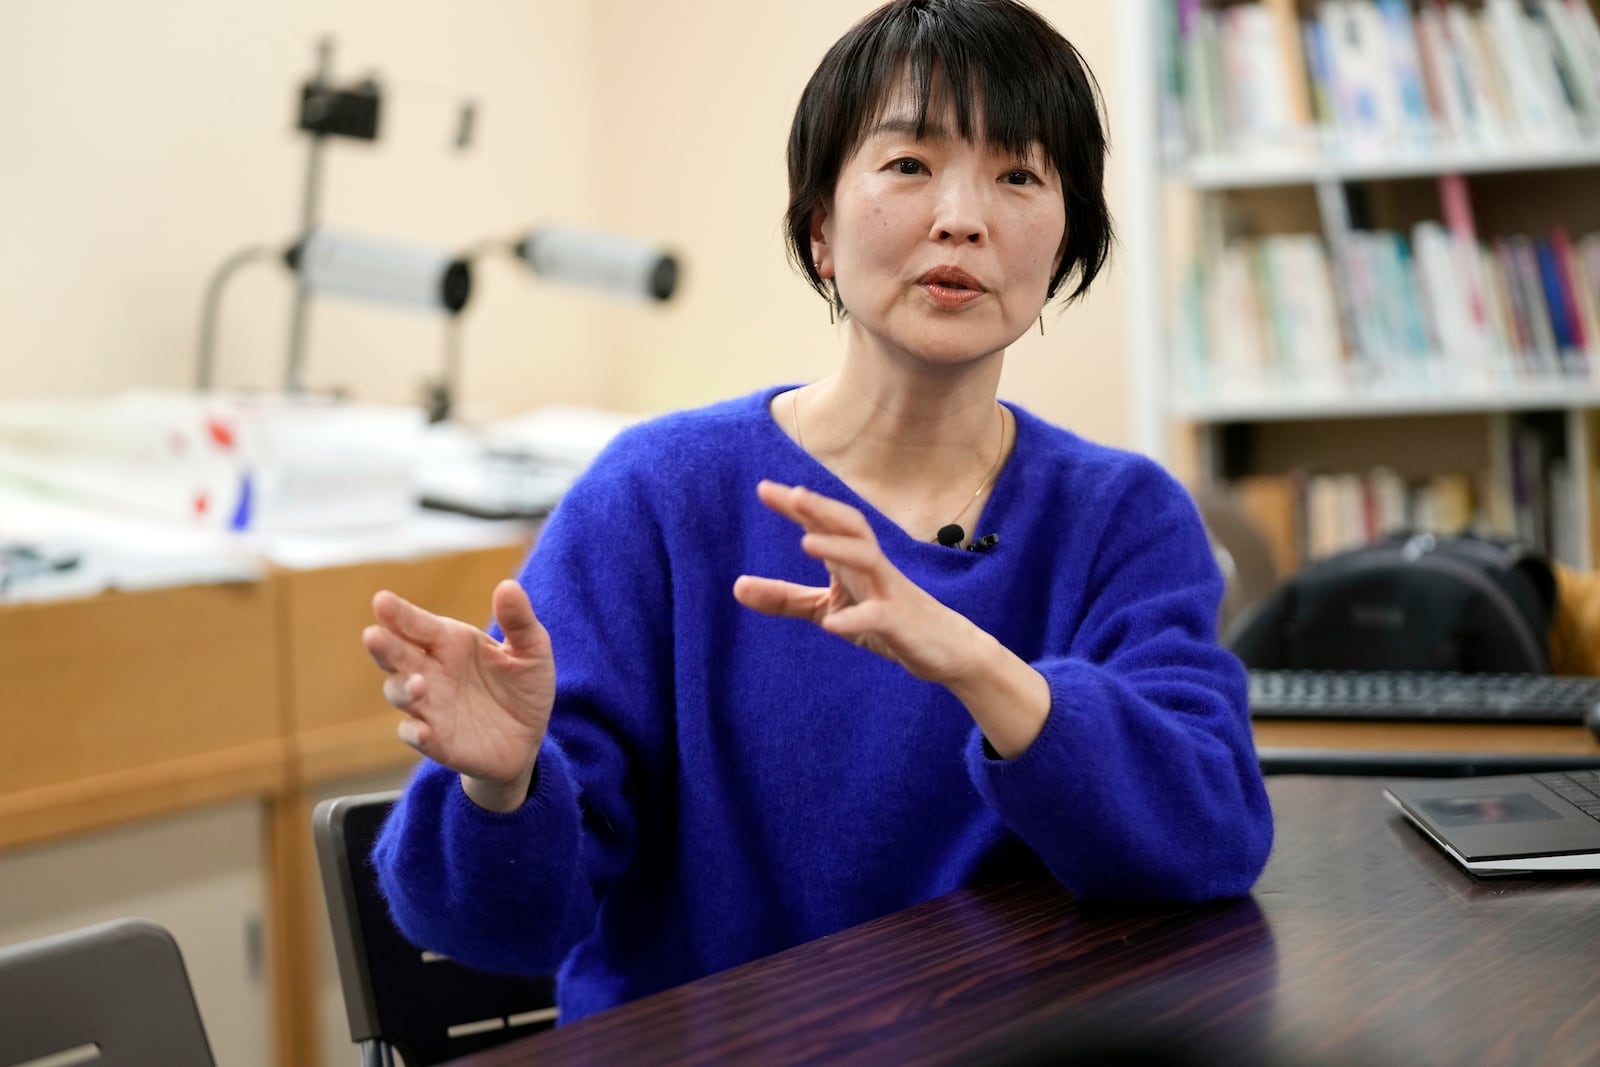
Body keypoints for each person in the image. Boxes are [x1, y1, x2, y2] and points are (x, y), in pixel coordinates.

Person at [364, 0, 1273, 1027]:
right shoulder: (657, 495)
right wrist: (500, 786)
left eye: (1019, 175)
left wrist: (977, 664)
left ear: (1066, 242)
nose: (962, 216)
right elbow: (491, 931)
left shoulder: (1120, 514)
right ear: (821, 229)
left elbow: (1210, 838)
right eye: (909, 164)